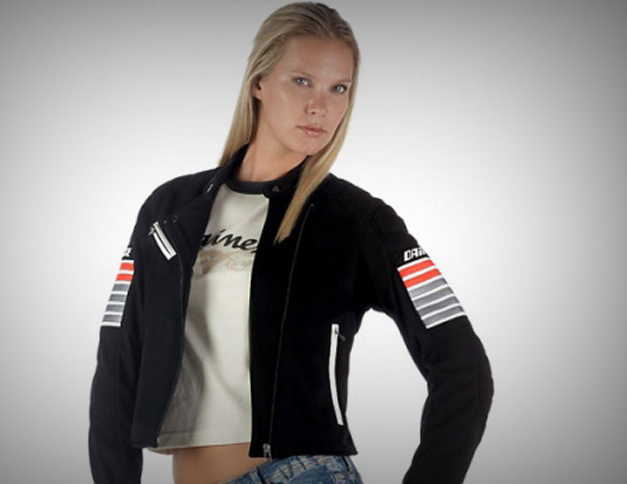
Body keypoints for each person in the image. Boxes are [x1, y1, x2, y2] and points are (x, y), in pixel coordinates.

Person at [88, 2, 494, 484]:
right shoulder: (170, 211)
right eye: (302, 81)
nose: (320, 106)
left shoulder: (357, 220)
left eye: (338, 88)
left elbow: (463, 367)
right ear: (259, 82)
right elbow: (118, 364)